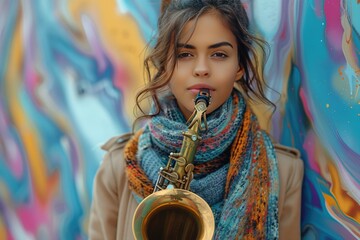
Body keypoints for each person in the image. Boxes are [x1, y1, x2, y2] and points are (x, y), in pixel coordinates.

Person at [88, 0, 304, 239]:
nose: (202, 69)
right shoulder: (116, 168)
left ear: (240, 66)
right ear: (165, 64)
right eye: (185, 54)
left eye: (219, 54)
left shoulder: (285, 172)